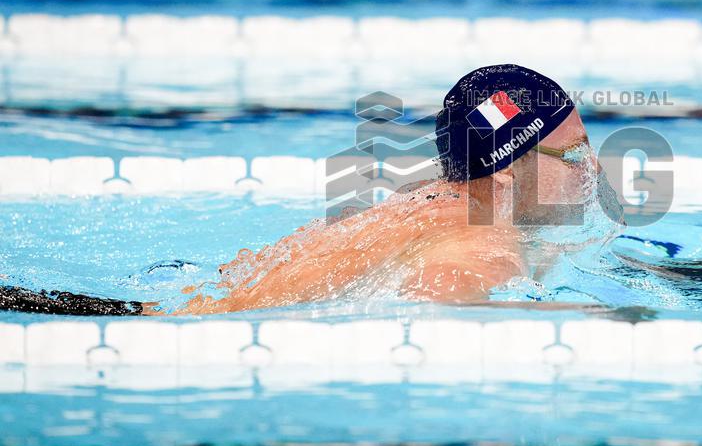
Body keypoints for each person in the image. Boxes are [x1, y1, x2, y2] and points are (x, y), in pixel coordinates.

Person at [0, 65, 620, 316]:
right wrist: (594, 317)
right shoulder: (481, 240)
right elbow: (438, 309)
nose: (592, 166)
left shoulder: (435, 202)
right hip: (177, 333)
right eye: (574, 151)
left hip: (166, 306)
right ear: (508, 171)